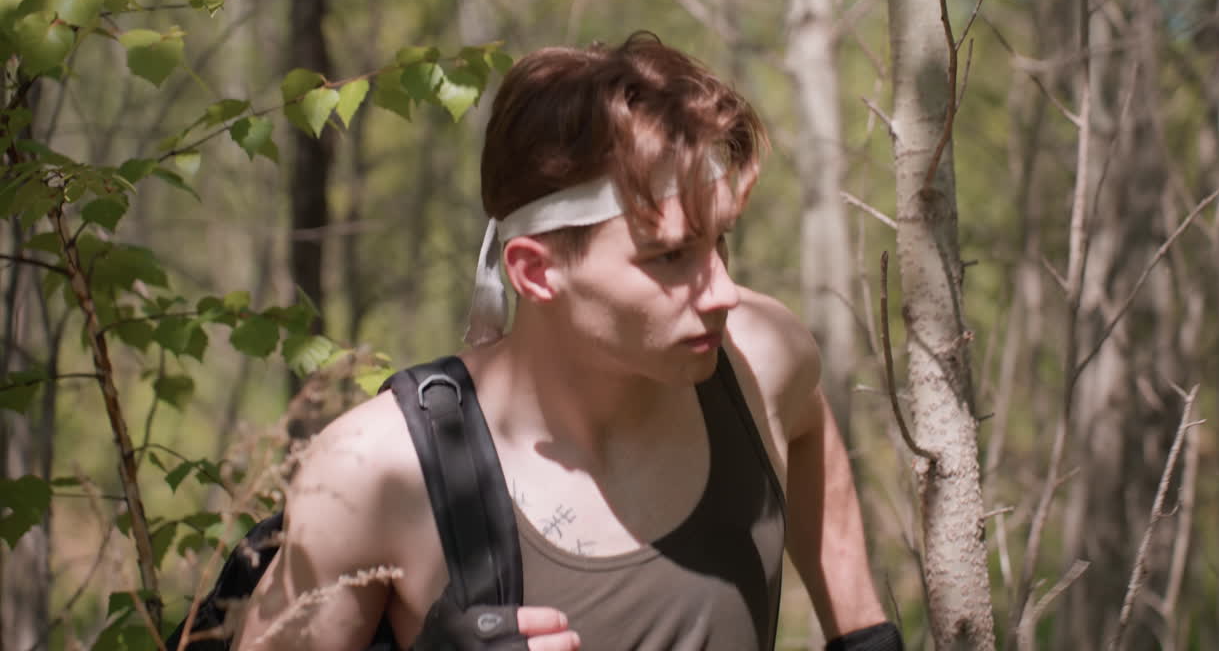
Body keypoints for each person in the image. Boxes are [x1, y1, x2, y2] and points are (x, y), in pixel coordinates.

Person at [234, 32, 899, 651]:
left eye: (719, 241)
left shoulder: (760, 357)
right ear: (535, 270)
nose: (722, 291)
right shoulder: (379, 473)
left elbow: (806, 417)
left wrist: (863, 632)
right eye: (670, 257)